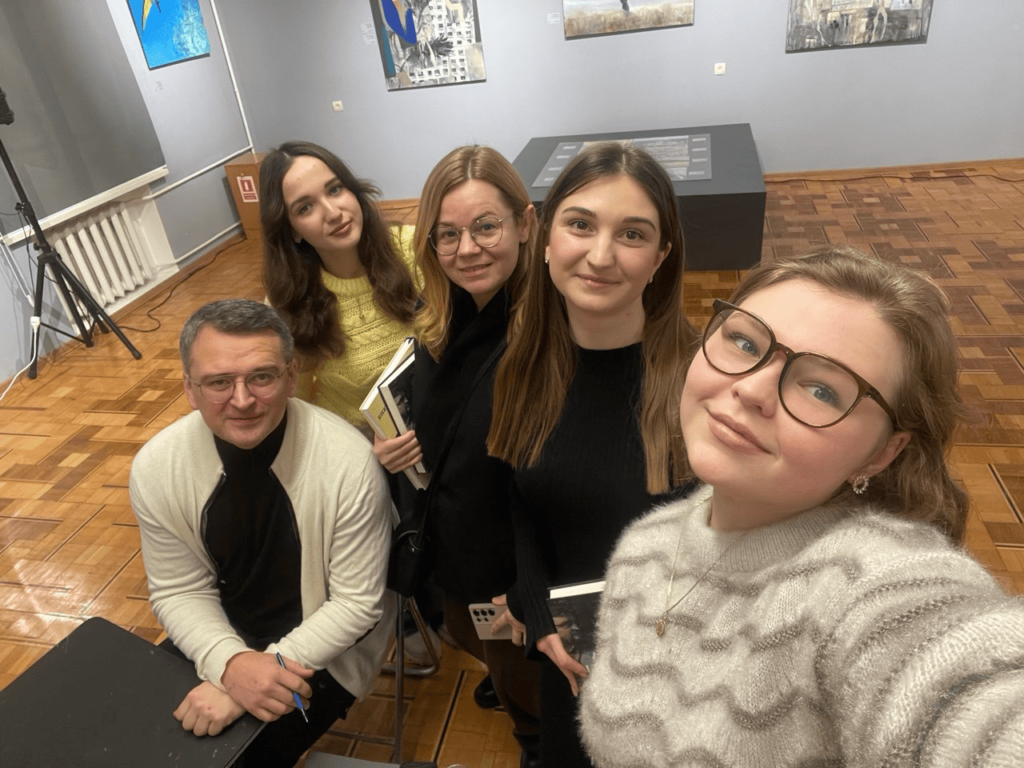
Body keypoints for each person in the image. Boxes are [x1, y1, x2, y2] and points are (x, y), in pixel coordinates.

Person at [579, 246, 1024, 767]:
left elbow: (972, 698)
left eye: (821, 389)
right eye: (745, 342)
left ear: (883, 452)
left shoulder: (869, 582)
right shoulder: (644, 544)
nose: (751, 389)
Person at [487, 142, 699, 768]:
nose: (601, 256)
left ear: (660, 257)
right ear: (545, 238)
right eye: (580, 224)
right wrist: (539, 614)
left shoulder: (702, 381)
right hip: (573, 655)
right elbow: (525, 505)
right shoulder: (522, 365)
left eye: (632, 234)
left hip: (680, 669)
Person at [129, 299, 394, 768]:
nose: (243, 399)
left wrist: (255, 675)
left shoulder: (348, 462)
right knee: (136, 742)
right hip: (220, 630)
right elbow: (178, 590)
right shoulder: (156, 466)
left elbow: (356, 605)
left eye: (262, 377)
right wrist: (231, 664)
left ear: (291, 378)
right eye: (218, 382)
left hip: (329, 653)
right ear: (189, 388)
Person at [373, 145, 543, 767]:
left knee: (536, 707)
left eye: (485, 227)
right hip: (458, 551)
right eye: (448, 234)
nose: (466, 249)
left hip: (514, 575)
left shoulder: (548, 333)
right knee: (487, 651)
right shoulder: (443, 319)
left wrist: (529, 593)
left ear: (525, 224)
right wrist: (391, 445)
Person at [259, 141, 418, 434]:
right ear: (290, 229)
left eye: (334, 189)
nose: (333, 213)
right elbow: (294, 401)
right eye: (305, 207)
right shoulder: (288, 302)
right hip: (356, 435)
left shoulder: (414, 250)